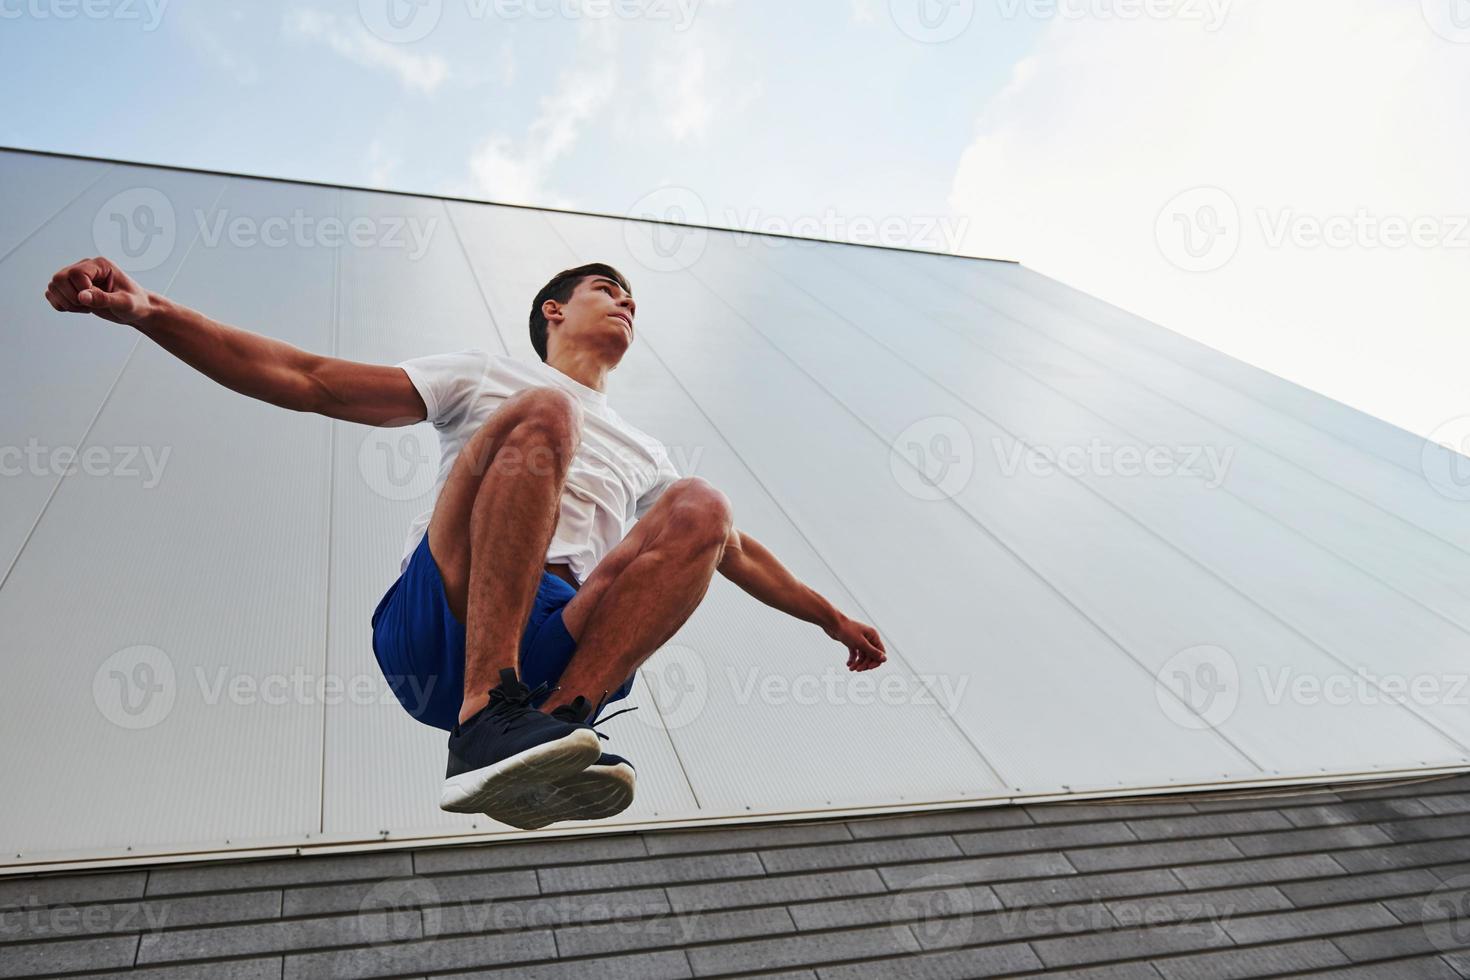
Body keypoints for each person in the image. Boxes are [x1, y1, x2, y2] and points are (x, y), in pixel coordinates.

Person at [44, 255, 888, 829]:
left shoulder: (645, 450)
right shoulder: (486, 375)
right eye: (608, 287)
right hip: (447, 619)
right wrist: (147, 312)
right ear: (555, 311)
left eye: (635, 294)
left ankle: (557, 731)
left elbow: (733, 553)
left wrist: (831, 619)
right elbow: (308, 380)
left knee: (703, 506)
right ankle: (486, 716)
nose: (627, 300)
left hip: (560, 638)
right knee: (545, 413)